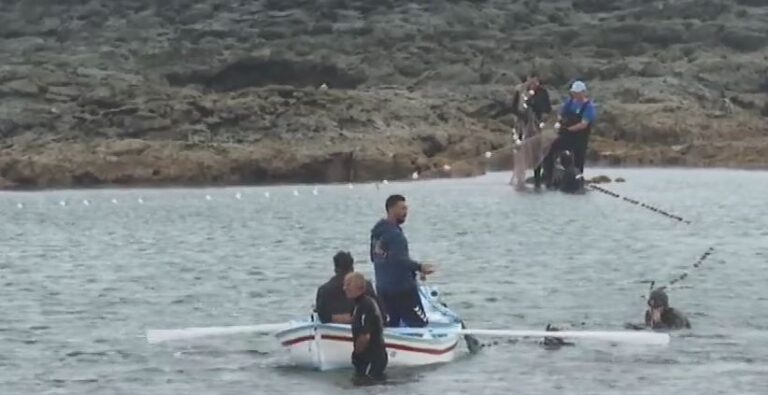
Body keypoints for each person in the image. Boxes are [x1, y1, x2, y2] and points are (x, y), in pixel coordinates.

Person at [370, 194, 435, 327]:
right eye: (402, 209)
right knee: (420, 324)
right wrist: (420, 267)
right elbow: (400, 261)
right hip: (403, 291)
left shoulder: (377, 234)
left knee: (391, 324)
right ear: (391, 209)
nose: (406, 212)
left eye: (406, 209)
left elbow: (373, 258)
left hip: (383, 289)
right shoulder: (396, 236)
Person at [543, 80, 596, 187]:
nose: (575, 95)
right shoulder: (570, 102)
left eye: (577, 93)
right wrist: (560, 122)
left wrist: (569, 129)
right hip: (567, 136)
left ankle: (577, 181)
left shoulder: (588, 107)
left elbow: (583, 124)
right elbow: (561, 114)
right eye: (574, 93)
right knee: (551, 150)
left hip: (580, 137)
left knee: (579, 159)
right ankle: (548, 176)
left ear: (583, 92)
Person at [344, 272, 388, 382]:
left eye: (348, 285)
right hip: (367, 357)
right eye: (344, 284)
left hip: (372, 358)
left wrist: (356, 354)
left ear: (359, 287)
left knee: (366, 384)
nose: (345, 288)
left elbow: (365, 336)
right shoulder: (357, 305)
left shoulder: (366, 305)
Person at [315, 251, 380, 324]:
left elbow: (322, 316)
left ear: (335, 269)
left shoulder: (323, 290)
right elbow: (378, 312)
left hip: (332, 330)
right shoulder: (366, 286)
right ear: (352, 268)